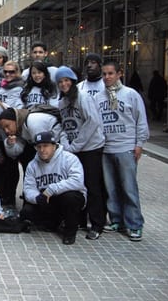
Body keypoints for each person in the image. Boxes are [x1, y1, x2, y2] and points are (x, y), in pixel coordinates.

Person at [96, 61, 149, 241]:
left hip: (126, 147)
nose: (107, 77)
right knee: (111, 188)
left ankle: (134, 224)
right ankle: (116, 219)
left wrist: (139, 144)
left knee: (128, 188)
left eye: (111, 73)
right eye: (104, 74)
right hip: (106, 148)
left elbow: (140, 119)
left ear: (119, 74)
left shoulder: (131, 94)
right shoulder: (99, 97)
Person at [55, 66, 106, 240]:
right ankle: (80, 220)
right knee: (77, 185)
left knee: (92, 186)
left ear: (73, 81)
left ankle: (97, 224)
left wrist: (76, 145)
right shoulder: (62, 103)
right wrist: (65, 143)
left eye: (66, 80)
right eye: (60, 82)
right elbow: (63, 125)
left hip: (90, 147)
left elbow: (92, 122)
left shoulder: (83, 97)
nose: (63, 84)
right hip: (73, 147)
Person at [20, 131, 87, 245]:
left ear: (54, 146)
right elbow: (28, 188)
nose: (42, 150)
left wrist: (52, 189)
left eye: (46, 146)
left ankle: (70, 231)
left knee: (70, 197)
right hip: (49, 200)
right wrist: (37, 198)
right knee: (27, 211)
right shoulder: (32, 164)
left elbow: (77, 181)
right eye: (39, 146)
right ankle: (53, 222)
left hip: (70, 198)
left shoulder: (69, 158)